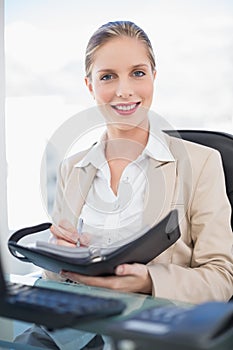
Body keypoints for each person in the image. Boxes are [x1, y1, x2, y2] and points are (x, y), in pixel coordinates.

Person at [15, 20, 233, 349]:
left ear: (154, 77)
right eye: (107, 77)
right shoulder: (72, 168)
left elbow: (222, 278)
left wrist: (148, 281)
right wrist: (56, 258)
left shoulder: (203, 163)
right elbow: (56, 275)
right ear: (90, 86)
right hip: (68, 331)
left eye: (138, 73)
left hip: (148, 333)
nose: (124, 90)